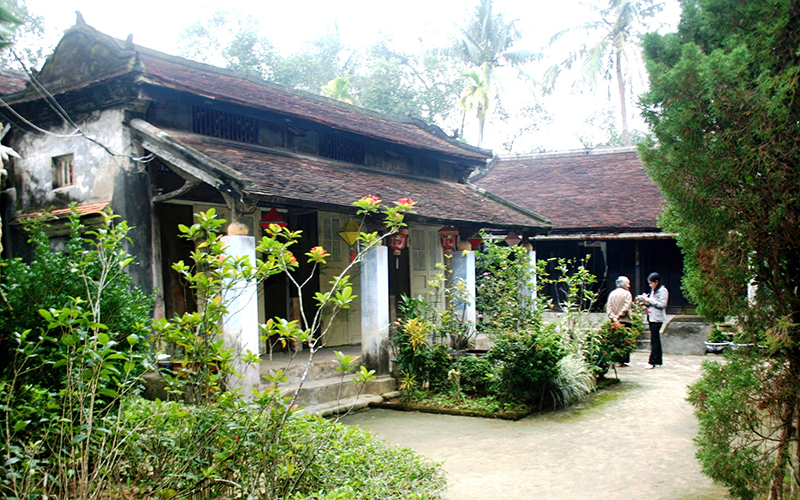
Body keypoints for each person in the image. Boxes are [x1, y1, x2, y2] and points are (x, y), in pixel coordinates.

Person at [637, 272, 669, 369]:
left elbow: (662, 305)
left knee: (654, 339)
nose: (651, 285)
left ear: (657, 282)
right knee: (655, 339)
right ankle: (658, 360)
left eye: (652, 283)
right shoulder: (654, 290)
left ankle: (652, 361)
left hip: (657, 318)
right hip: (651, 316)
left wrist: (649, 300)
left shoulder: (663, 291)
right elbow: (652, 304)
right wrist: (644, 301)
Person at [606, 276, 633, 367]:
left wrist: (613, 317)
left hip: (613, 320)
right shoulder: (627, 294)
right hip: (625, 320)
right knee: (625, 340)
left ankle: (614, 359)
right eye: (627, 284)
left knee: (614, 339)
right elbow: (627, 306)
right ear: (624, 284)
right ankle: (623, 360)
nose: (629, 286)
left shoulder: (612, 294)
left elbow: (609, 307)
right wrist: (619, 316)